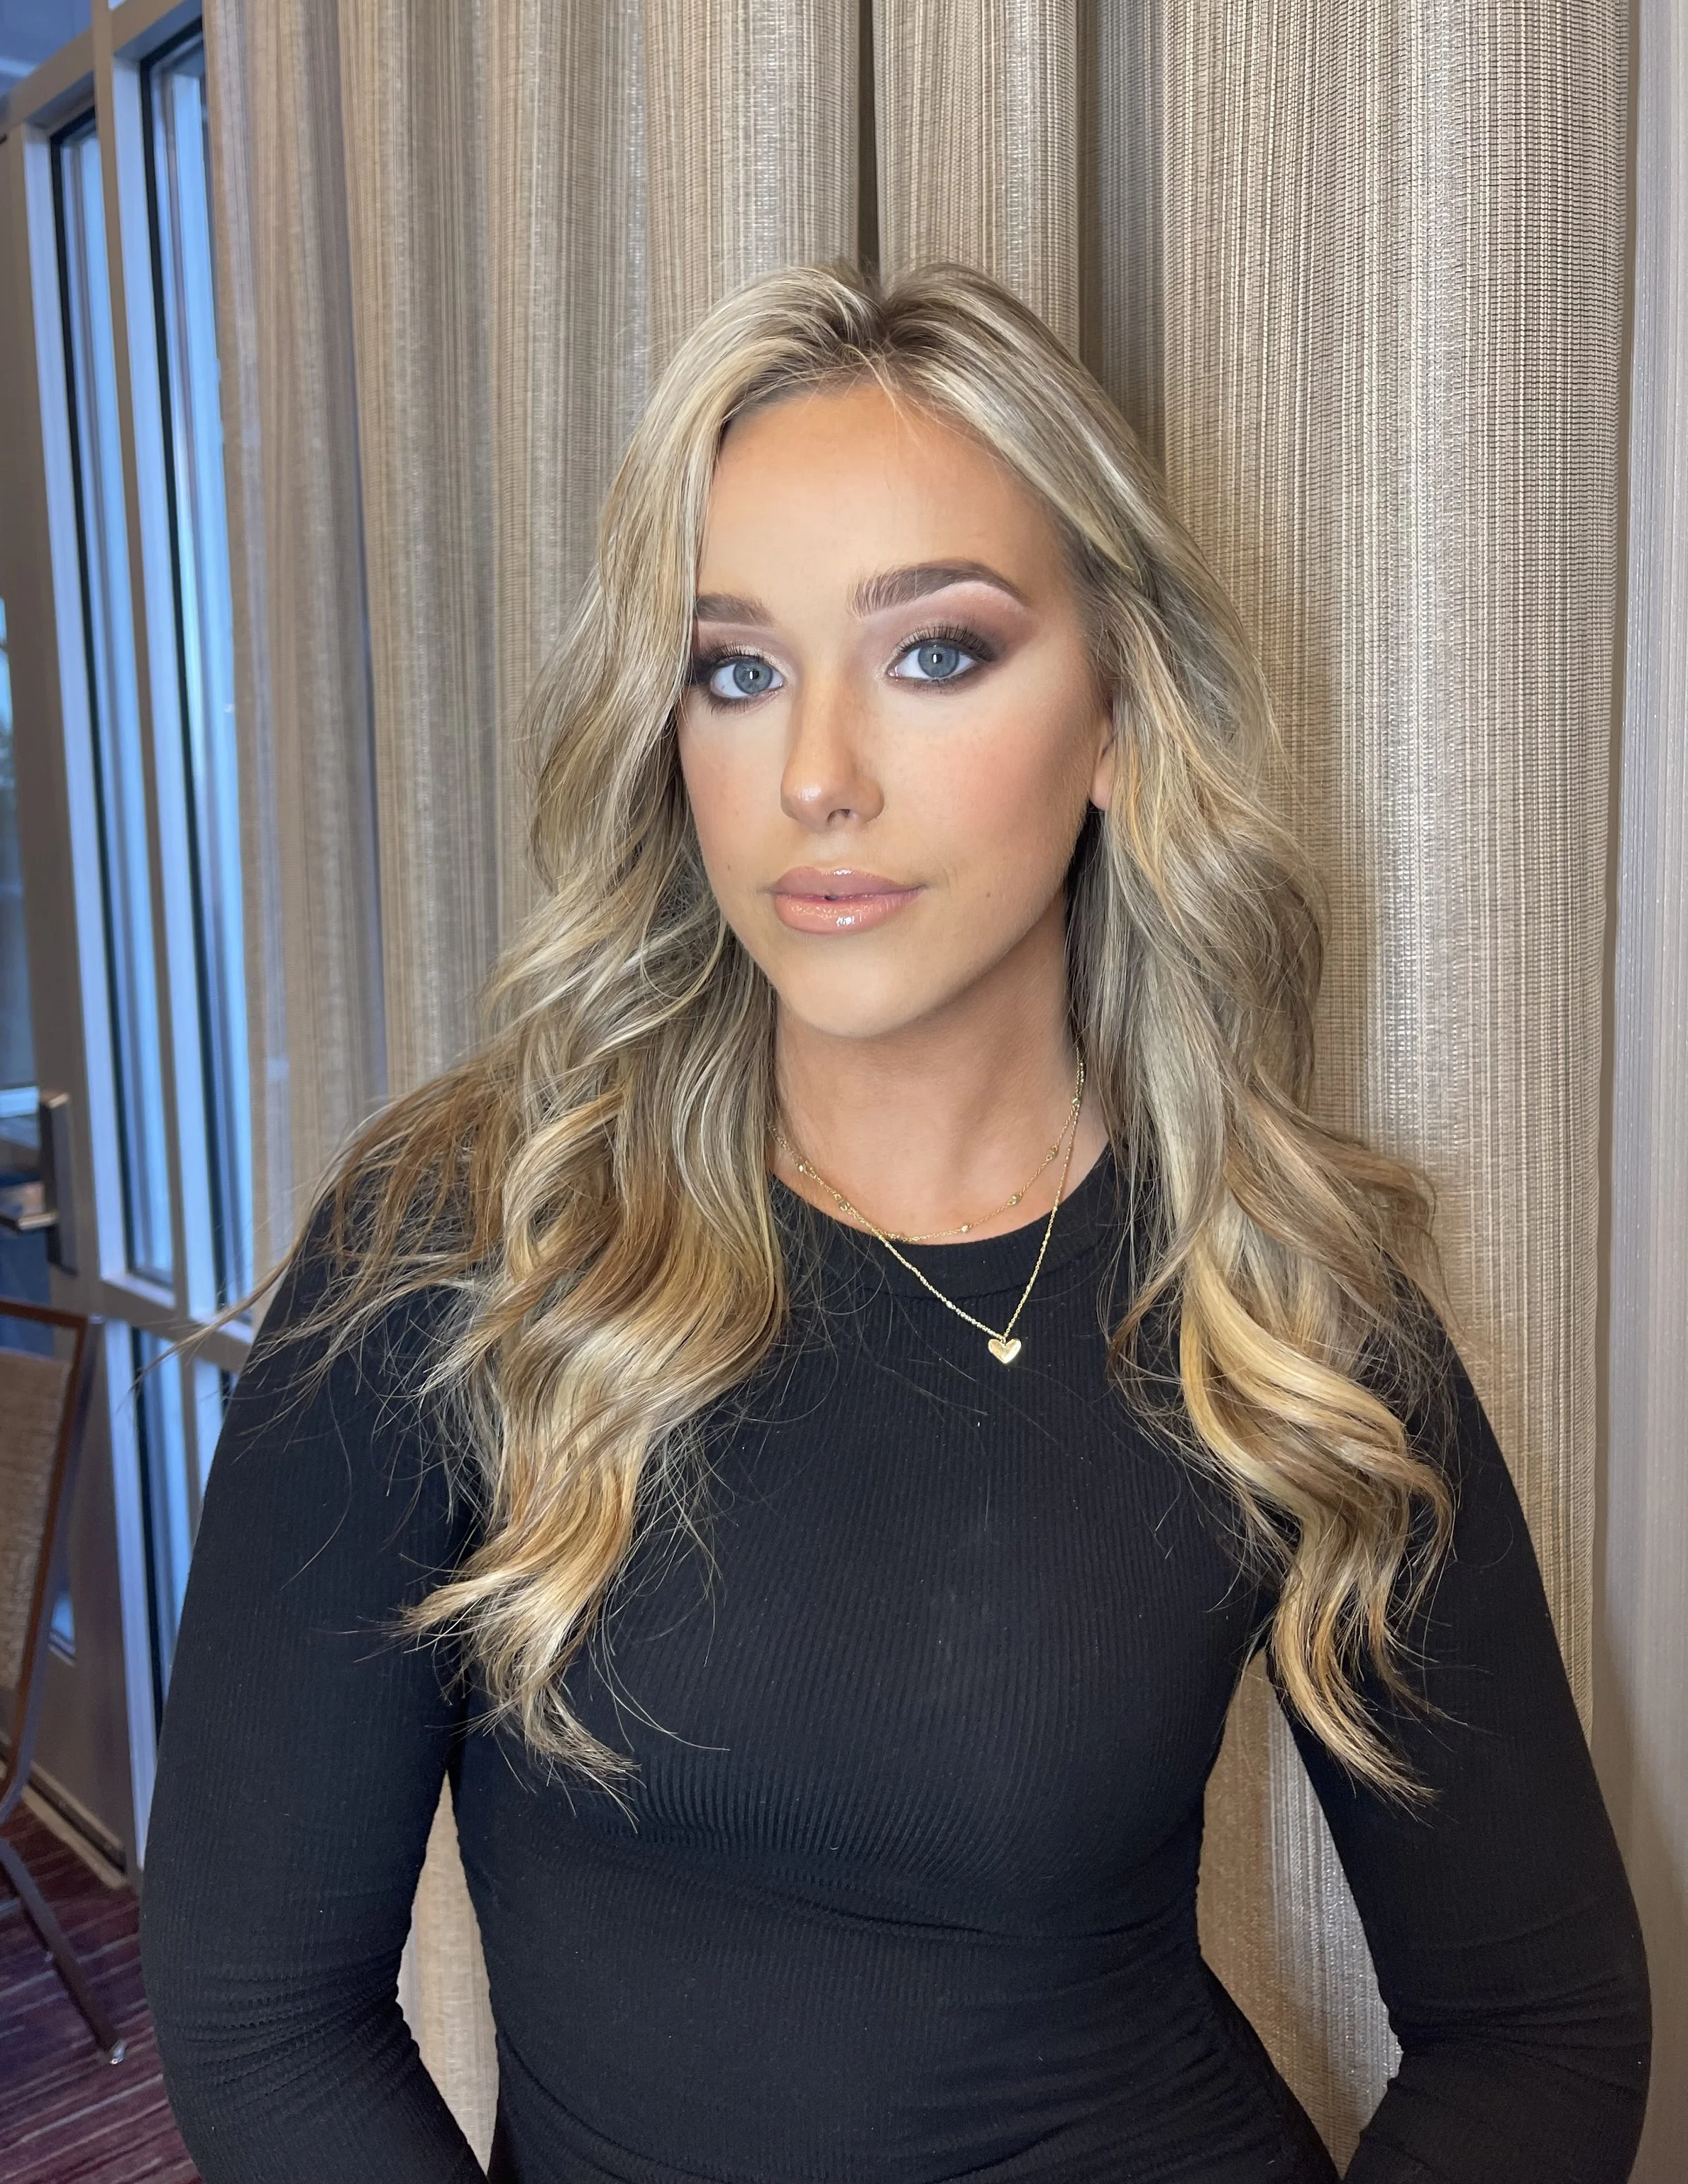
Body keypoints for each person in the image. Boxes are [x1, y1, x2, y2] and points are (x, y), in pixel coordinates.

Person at [140, 261, 1650, 2184]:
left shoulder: (1279, 1293)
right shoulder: (457, 1242)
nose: (814, 776)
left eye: (934, 650)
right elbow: (262, 2010)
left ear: (1114, 710)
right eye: (733, 666)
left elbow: (1540, 2019)